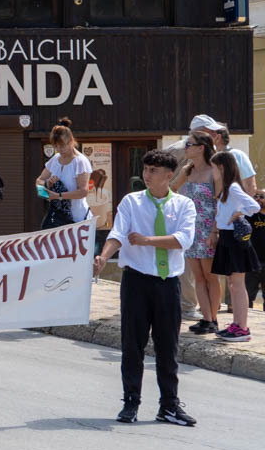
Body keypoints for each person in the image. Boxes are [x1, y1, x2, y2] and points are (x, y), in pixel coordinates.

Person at [95, 150, 197, 426]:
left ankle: (169, 406)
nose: (147, 175)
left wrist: (146, 240)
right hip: (136, 281)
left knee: (168, 347)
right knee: (132, 344)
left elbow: (183, 240)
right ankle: (131, 402)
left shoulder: (184, 204)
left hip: (168, 283)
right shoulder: (132, 201)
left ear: (169, 175)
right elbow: (118, 234)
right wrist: (103, 257)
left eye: (154, 170)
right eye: (146, 169)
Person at [173, 132, 222, 335]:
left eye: (189, 144)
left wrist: (214, 231)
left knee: (210, 276)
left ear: (201, 147)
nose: (185, 148)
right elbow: (172, 189)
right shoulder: (187, 170)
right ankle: (206, 318)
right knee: (198, 276)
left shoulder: (214, 171)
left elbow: (220, 203)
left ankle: (213, 318)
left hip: (208, 228)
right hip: (191, 229)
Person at [209, 150, 258, 343]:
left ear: (221, 168)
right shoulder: (227, 189)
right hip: (227, 239)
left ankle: (242, 328)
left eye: (214, 168)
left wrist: (239, 213)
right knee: (233, 284)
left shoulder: (233, 188)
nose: (212, 172)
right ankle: (237, 324)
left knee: (237, 285)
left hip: (234, 240)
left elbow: (254, 206)